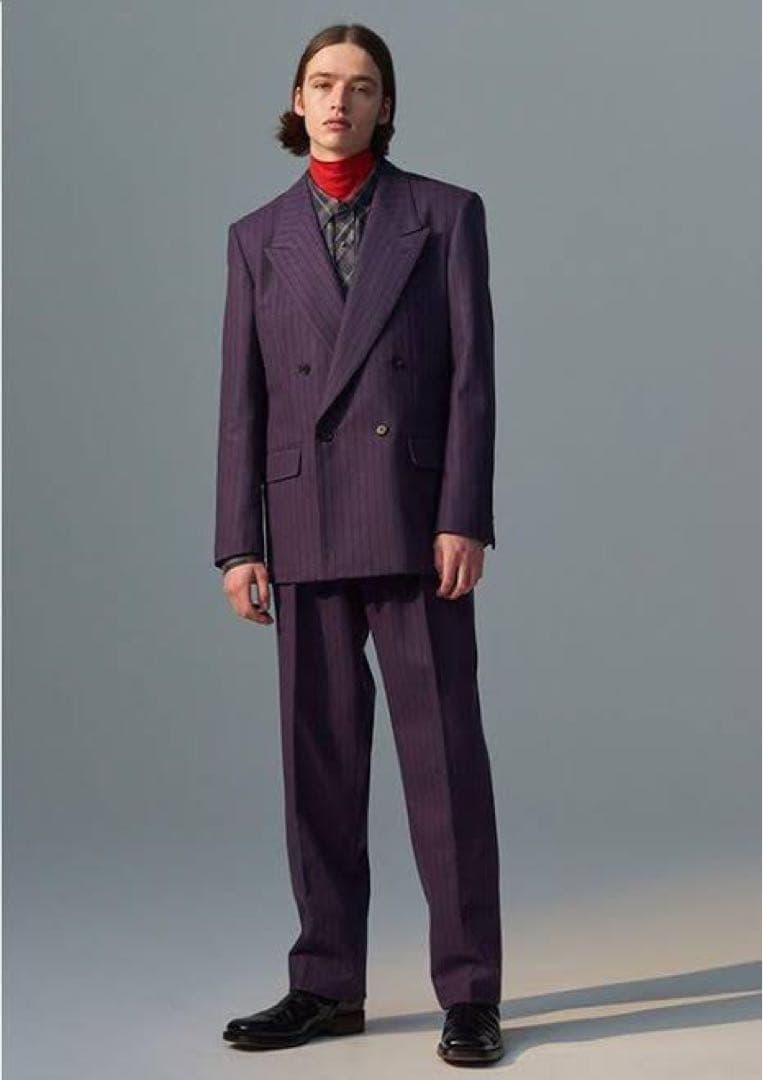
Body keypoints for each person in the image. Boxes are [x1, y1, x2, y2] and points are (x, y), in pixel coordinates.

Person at [214, 22, 504, 1066]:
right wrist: (237, 542)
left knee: (444, 768)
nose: (340, 100)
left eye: (363, 85)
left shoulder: (445, 215)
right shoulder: (255, 237)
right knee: (319, 769)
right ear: (296, 102)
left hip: (415, 521)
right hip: (302, 524)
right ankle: (325, 985)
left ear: (387, 105)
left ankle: (469, 994)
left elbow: (470, 380)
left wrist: (462, 512)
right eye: (323, 83)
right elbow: (242, 402)